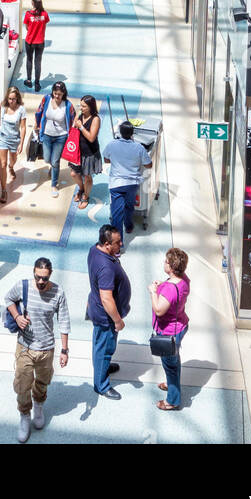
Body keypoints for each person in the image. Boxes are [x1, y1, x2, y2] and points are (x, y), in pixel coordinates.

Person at [6, 257, 71, 443]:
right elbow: (8, 298)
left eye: (44, 278)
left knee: (43, 381)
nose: (41, 281)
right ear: (34, 273)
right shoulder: (23, 286)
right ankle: (25, 416)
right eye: (37, 277)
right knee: (22, 385)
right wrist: (17, 316)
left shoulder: (58, 292)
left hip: (46, 348)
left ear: (50, 274)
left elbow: (64, 321)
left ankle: (39, 405)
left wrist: (64, 350)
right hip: (25, 347)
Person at [87, 224, 130, 399]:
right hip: (106, 317)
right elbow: (106, 298)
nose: (121, 244)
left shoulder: (94, 250)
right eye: (117, 243)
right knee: (104, 348)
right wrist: (118, 320)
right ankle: (101, 385)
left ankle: (103, 367)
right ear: (106, 244)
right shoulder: (105, 267)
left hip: (98, 309)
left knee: (103, 346)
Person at [149, 247, 191, 411]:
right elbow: (174, 294)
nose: (164, 263)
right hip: (181, 325)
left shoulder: (169, 290)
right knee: (175, 359)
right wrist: (162, 285)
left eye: (166, 261)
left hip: (168, 333)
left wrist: (153, 292)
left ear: (172, 267)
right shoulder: (184, 280)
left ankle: (172, 400)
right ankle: (170, 384)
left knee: (170, 366)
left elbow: (159, 310)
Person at [103, 121, 150, 242]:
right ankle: (129, 226)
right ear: (132, 133)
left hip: (116, 184)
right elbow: (149, 165)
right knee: (129, 206)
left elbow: (106, 159)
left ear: (120, 132)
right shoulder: (139, 147)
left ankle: (118, 244)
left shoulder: (112, 145)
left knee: (117, 215)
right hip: (131, 184)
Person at [35, 81, 75, 198]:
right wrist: (37, 125)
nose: (57, 96)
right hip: (47, 134)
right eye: (55, 93)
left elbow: (72, 117)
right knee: (47, 159)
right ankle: (52, 169)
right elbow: (39, 112)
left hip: (61, 136)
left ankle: (54, 184)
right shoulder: (46, 99)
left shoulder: (67, 105)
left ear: (64, 94)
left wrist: (70, 131)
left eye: (59, 94)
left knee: (55, 161)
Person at [0, 86, 27, 205]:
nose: (11, 101)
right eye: (9, 99)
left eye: (13, 99)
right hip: (2, 138)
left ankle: (11, 166)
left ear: (17, 98)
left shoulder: (21, 109)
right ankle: (3, 190)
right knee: (2, 164)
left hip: (14, 139)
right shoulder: (2, 106)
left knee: (12, 160)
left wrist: (21, 143)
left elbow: (23, 127)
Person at [71, 95, 102, 209]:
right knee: (74, 174)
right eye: (81, 105)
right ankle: (81, 188)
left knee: (87, 176)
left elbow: (91, 138)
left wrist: (81, 127)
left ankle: (86, 196)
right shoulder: (80, 116)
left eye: (84, 106)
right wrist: (75, 125)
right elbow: (74, 130)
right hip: (79, 152)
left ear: (90, 107)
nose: (81, 108)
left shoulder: (95, 119)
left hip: (90, 153)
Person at [23, 0, 49, 89]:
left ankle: (29, 80)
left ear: (33, 3)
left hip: (30, 41)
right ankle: (37, 83)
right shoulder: (44, 14)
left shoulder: (28, 14)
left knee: (29, 60)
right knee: (38, 62)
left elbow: (27, 27)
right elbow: (44, 25)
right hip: (40, 42)